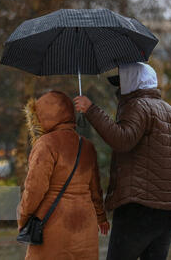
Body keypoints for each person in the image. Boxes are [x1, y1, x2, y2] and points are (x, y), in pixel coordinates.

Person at [74, 62, 171, 260]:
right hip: (169, 211)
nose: (119, 89)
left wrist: (91, 110)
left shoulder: (137, 106)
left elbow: (122, 140)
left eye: (121, 83)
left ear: (132, 83)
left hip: (138, 209)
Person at [18, 91, 110, 260]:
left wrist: (23, 219)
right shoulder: (86, 146)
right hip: (85, 226)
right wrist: (101, 217)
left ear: (40, 117)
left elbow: (34, 189)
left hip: (52, 225)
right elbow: (95, 189)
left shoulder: (45, 144)